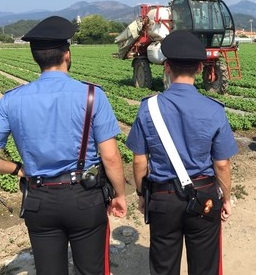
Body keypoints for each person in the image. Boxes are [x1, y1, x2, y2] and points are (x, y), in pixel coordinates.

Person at [0, 16, 127, 274]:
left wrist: (17, 170)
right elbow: (111, 157)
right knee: (92, 269)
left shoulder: (11, 101)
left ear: (36, 57)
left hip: (39, 200)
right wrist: (120, 195)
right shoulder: (92, 95)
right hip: (85, 197)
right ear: (67, 55)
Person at [126, 30, 238, 275]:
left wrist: (142, 194)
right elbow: (221, 165)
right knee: (205, 264)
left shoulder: (149, 108)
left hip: (163, 197)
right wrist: (226, 198)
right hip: (204, 196)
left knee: (163, 265)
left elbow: (139, 160)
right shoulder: (214, 109)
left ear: (166, 67)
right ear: (199, 68)